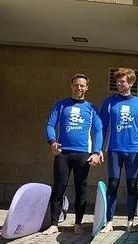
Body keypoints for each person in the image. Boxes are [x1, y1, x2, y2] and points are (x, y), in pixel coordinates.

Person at [44, 74, 102, 235]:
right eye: (76, 85)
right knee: (59, 187)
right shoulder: (61, 105)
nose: (79, 88)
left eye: (82, 85)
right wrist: (52, 142)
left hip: (83, 153)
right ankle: (54, 224)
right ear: (71, 85)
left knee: (81, 188)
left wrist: (96, 152)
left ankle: (78, 224)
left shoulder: (92, 108)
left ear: (87, 88)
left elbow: (98, 131)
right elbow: (50, 124)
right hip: (63, 152)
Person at [99, 68, 138, 232]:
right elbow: (102, 126)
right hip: (114, 149)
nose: (120, 84)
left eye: (123, 81)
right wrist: (98, 149)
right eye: (118, 81)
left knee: (132, 185)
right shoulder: (109, 101)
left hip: (133, 151)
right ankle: (109, 221)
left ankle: (130, 222)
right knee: (113, 183)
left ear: (131, 83)